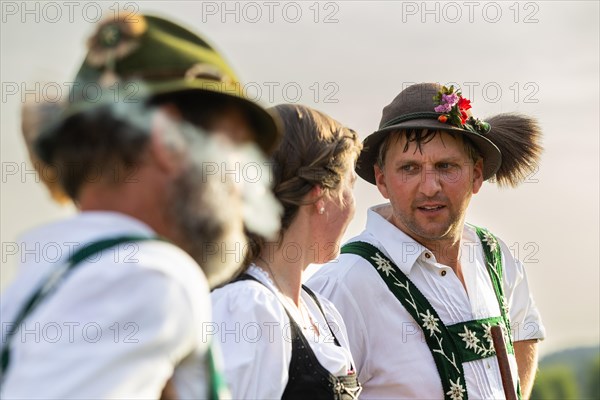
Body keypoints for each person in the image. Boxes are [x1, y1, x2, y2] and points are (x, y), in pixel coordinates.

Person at [0, 14, 280, 399]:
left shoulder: (38, 282)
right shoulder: (151, 274)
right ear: (169, 141)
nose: (243, 182)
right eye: (235, 147)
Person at [307, 83, 546, 400]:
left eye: (446, 166)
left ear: (476, 175)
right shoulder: (343, 285)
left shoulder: (495, 257)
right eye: (409, 168)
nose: (430, 186)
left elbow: (524, 333)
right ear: (382, 181)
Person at [211, 104, 363, 399]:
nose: (353, 204)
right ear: (321, 194)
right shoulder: (247, 307)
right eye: (350, 186)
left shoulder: (320, 310)